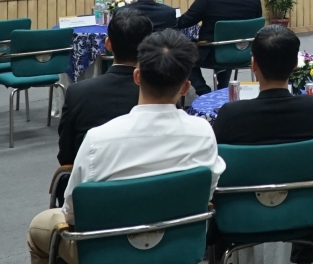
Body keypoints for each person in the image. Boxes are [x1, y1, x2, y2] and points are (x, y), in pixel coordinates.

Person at [27, 31, 226, 264]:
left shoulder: (98, 139)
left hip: (107, 250)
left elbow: (72, 213)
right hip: (180, 243)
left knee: (38, 228)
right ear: (185, 87)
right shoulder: (203, 132)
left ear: (137, 76)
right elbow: (207, 192)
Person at [212, 25, 313, 262]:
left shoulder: (230, 115)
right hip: (305, 214)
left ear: (253, 65)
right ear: (295, 65)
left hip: (240, 218)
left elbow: (214, 171)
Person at [57, 8, 152, 165]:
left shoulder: (77, 93)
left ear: (108, 44)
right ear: (149, 45)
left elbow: (66, 157)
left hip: (93, 176)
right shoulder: (160, 93)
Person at [178, 0, 262, 95]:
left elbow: (185, 21)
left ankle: (205, 92)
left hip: (212, 53)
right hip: (244, 53)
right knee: (229, 40)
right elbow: (256, 22)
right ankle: (222, 89)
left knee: (181, 53)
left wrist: (169, 18)